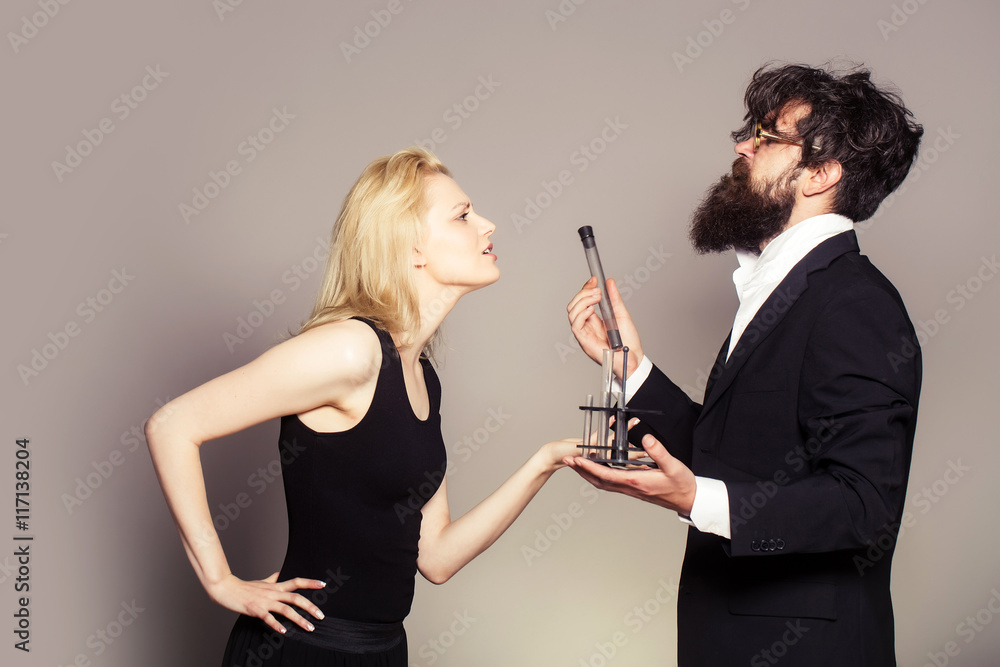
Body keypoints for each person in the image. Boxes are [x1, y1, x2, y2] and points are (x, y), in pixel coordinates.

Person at [146, 147, 579, 666]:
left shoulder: (423, 378)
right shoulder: (350, 350)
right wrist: (220, 580)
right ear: (411, 246)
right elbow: (172, 425)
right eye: (463, 216)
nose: (487, 225)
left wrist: (548, 461)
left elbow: (436, 557)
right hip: (302, 650)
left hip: (382, 651)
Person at [564, 63, 923, 665]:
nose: (741, 147)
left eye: (766, 136)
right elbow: (732, 458)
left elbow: (863, 506)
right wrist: (628, 367)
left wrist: (697, 500)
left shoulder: (855, 303)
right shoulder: (784, 289)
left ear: (822, 173)